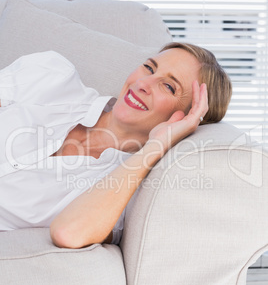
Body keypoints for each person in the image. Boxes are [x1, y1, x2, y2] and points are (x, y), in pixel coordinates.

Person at [0, 42, 232, 248]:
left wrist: (156, 147)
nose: (143, 83)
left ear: (182, 118)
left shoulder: (121, 190)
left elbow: (68, 233)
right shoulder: (54, 77)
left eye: (169, 87)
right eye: (149, 68)